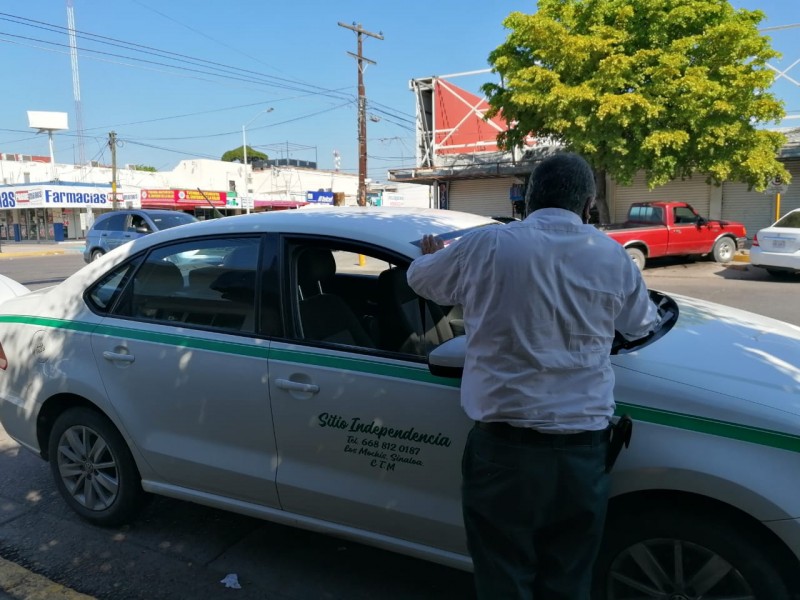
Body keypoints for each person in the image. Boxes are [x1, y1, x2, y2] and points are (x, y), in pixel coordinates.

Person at [406, 152, 660, 600]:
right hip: (583, 455)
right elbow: (640, 326)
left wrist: (432, 257)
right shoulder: (612, 257)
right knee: (569, 580)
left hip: (504, 456)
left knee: (504, 578)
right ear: (589, 204)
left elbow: (421, 280)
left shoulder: (487, 245)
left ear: (527, 199)